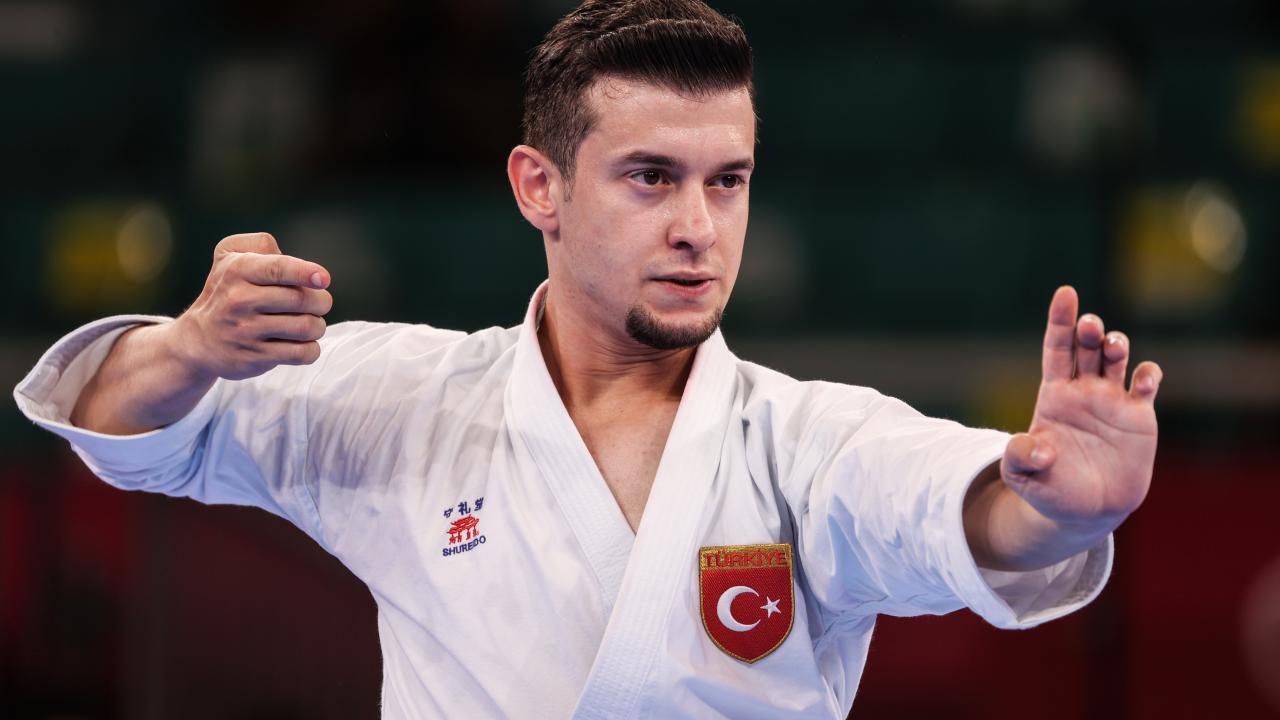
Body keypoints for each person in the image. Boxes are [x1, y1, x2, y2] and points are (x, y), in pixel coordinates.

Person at [13, 0, 1163, 717]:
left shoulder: (808, 442)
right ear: (540, 187)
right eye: (650, 178)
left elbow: (956, 508)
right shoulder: (408, 401)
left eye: (727, 181)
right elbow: (119, 424)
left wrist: (1063, 508)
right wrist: (191, 348)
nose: (698, 228)